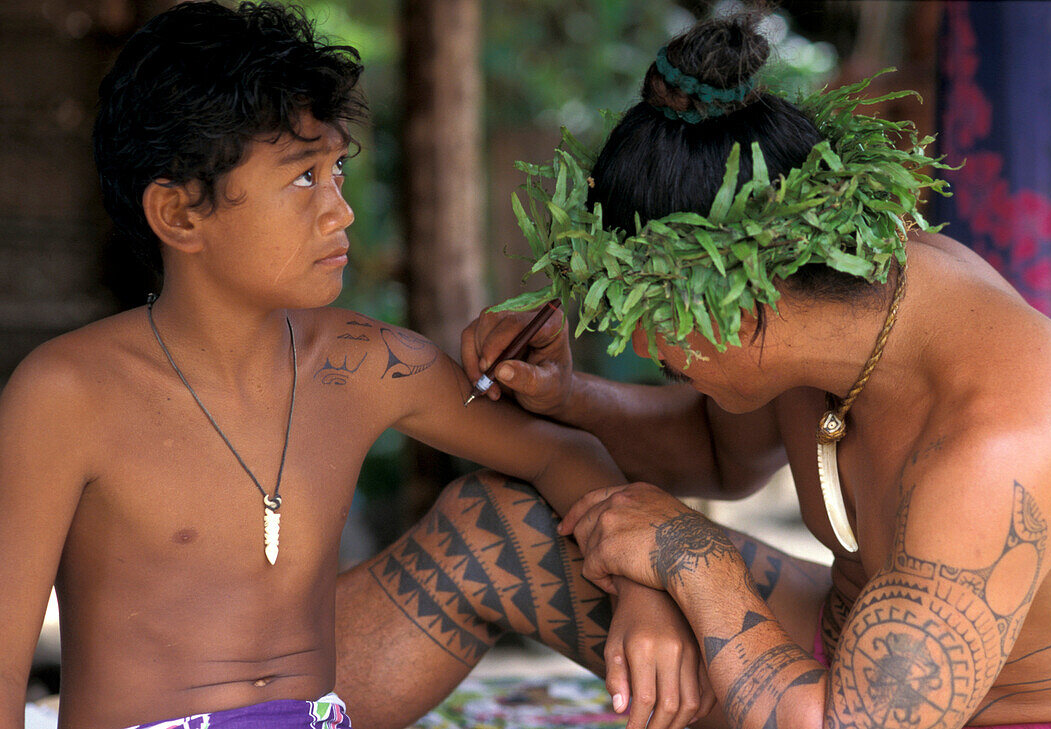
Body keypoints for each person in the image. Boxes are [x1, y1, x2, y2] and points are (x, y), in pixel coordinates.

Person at [0, 3, 714, 729]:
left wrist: (644, 593)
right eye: (303, 178)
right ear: (180, 216)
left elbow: (566, 454)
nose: (340, 210)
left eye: (337, 168)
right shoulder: (67, 395)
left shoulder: (369, 363)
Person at [461, 12, 1051, 729]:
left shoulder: (996, 448)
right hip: (835, 648)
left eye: (652, 317)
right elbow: (717, 453)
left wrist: (693, 559)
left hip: (990, 717)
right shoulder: (830, 305)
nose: (644, 348)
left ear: (735, 303)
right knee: (492, 526)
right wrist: (567, 397)